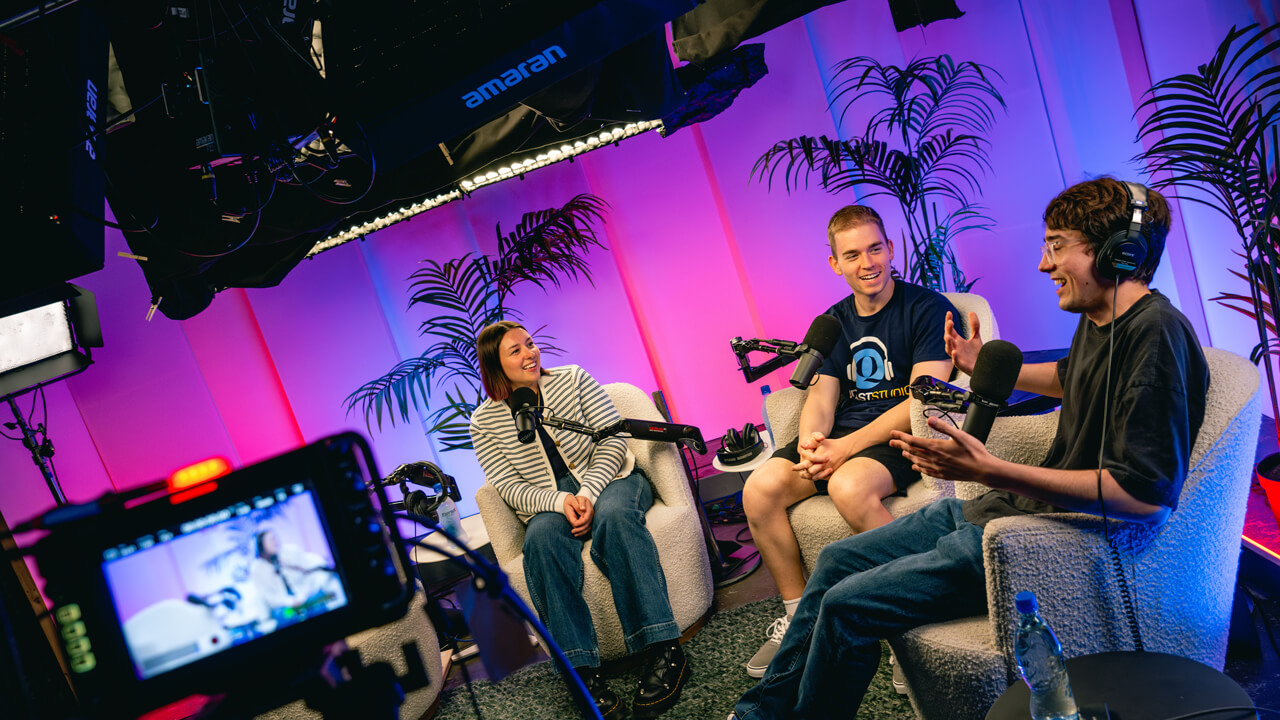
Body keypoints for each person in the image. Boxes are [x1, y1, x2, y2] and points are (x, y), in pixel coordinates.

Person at [730, 177, 1209, 719]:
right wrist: (978, 363)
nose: (1043, 264)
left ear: (1117, 253)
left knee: (846, 605)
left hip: (1040, 539)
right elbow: (1068, 376)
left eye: (1056, 245)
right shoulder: (1107, 324)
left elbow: (1143, 498)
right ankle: (760, 713)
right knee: (839, 558)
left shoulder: (1156, 338)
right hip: (1003, 512)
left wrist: (993, 470)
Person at [741, 205, 957, 677]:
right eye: (853, 254)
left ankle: (910, 622)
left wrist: (846, 449)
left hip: (898, 432)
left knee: (849, 487)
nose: (868, 263)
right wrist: (811, 445)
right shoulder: (833, 323)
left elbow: (922, 398)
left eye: (875, 248)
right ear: (835, 263)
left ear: (891, 249)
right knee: (759, 489)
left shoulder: (929, 309)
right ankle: (799, 618)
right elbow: (821, 397)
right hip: (843, 436)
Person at [468, 320, 689, 720]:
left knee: (618, 519)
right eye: (515, 350)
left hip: (612, 476)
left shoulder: (574, 379)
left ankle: (663, 648)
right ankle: (581, 671)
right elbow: (507, 486)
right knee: (541, 545)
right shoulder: (483, 421)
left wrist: (585, 494)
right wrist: (560, 500)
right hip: (547, 502)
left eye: (529, 344)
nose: (529, 353)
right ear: (494, 366)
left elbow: (613, 440)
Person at [246, 529, 339, 622]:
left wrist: (302, 596)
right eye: (271, 540)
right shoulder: (256, 569)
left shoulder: (291, 551)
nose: (275, 541)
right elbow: (267, 595)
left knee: (319, 607)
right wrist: (289, 602)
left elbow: (308, 574)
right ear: (261, 546)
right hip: (283, 606)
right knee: (286, 616)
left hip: (306, 595)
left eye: (275, 538)